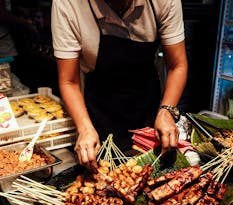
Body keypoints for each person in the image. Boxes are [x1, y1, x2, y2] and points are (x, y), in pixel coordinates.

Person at [51, 0, 188, 169]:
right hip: (98, 109)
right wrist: (84, 128)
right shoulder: (68, 4)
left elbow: (177, 65)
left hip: (147, 103)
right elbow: (69, 81)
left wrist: (167, 110)